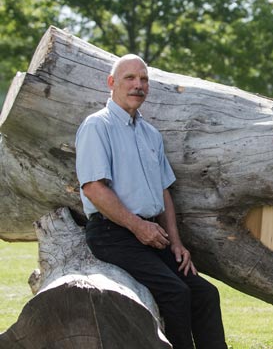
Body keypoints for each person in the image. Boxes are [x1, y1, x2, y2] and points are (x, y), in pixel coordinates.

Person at [75, 54, 227, 349]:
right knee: (175, 292)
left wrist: (176, 243)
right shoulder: (97, 126)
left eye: (143, 79)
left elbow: (163, 193)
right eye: (130, 78)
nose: (138, 85)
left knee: (205, 294)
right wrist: (137, 227)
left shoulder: (150, 134)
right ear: (111, 83)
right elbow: (94, 188)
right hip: (112, 234)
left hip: (150, 235)